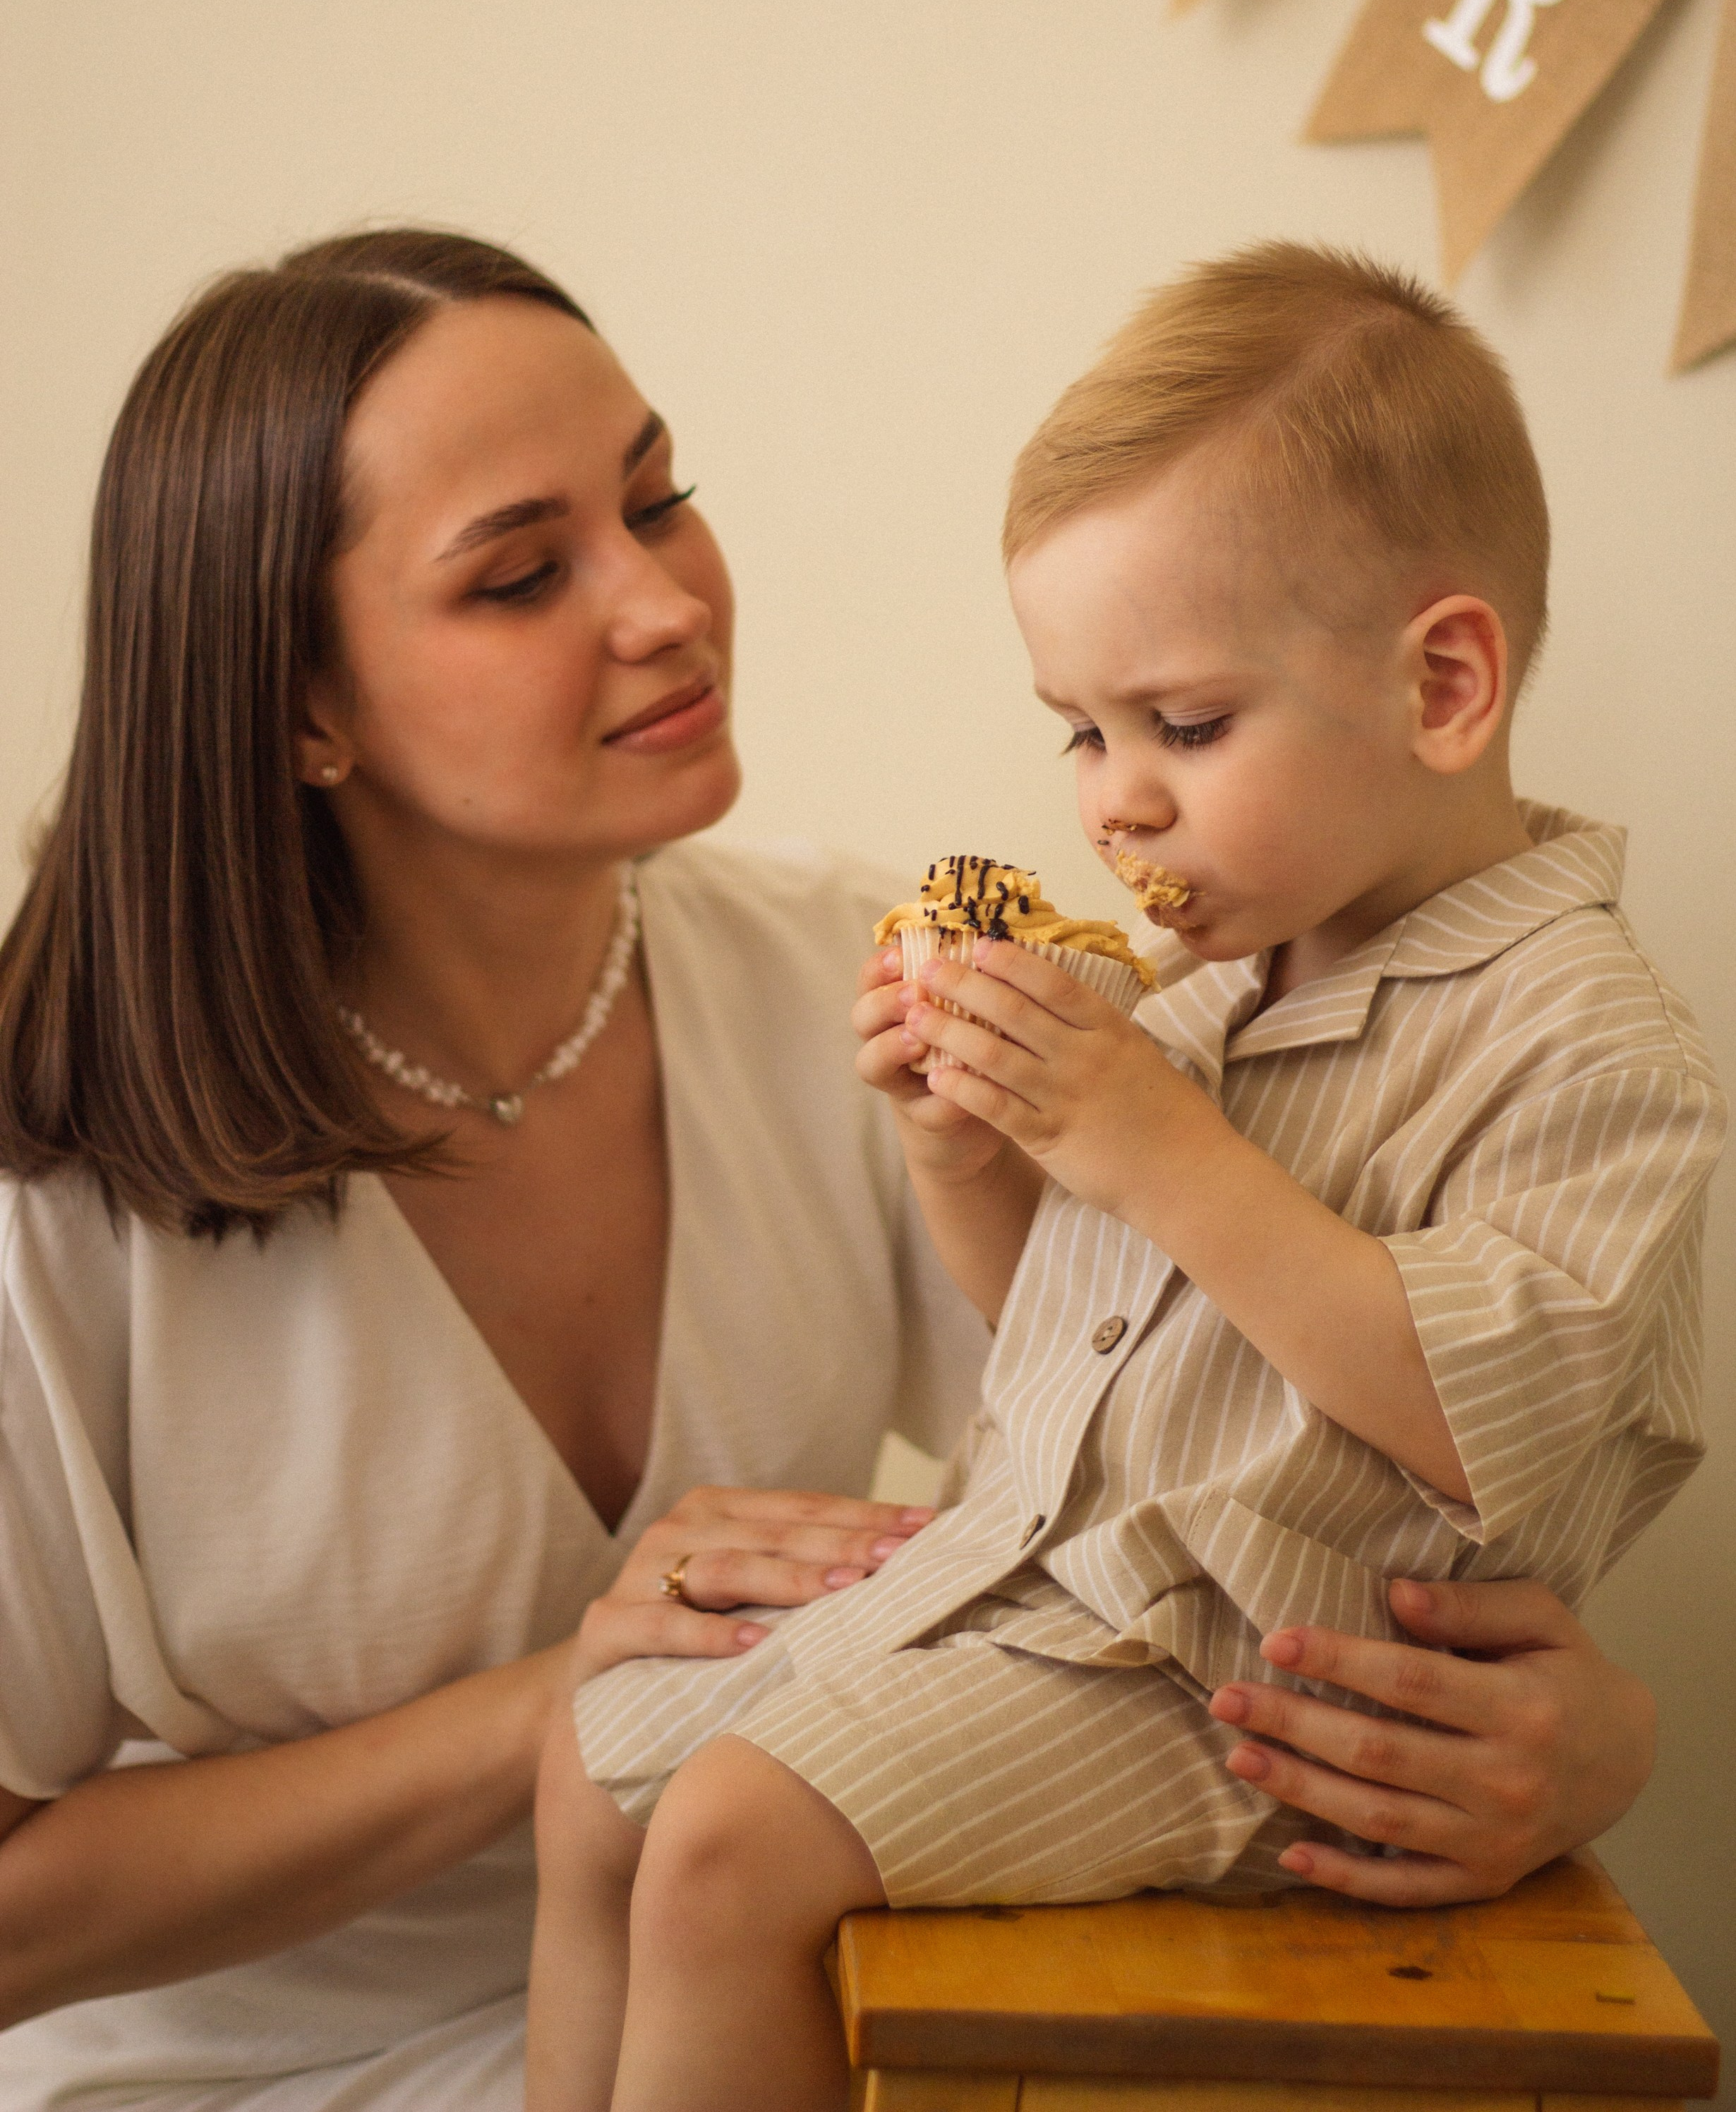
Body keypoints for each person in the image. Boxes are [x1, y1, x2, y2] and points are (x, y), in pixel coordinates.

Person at [0, 231, 1665, 2112]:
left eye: (660, 496)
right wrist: (556, 1700)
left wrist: (1584, 1732)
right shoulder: (50, 1180)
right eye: (527, 572)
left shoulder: (848, 976)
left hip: (759, 2014)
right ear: (299, 706)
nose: (663, 602)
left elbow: (1190, 1464)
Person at [525, 245, 1722, 2112]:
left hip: (1252, 1681)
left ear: (1443, 683)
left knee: (727, 1843)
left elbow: (1480, 1425)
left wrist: (1149, 1143)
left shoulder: (1581, 1042)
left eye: (1181, 723)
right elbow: (1070, 1341)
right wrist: (961, 1144)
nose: (1110, 800)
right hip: (1044, 1584)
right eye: (1077, 729)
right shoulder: (1215, 979)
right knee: (595, 1760)